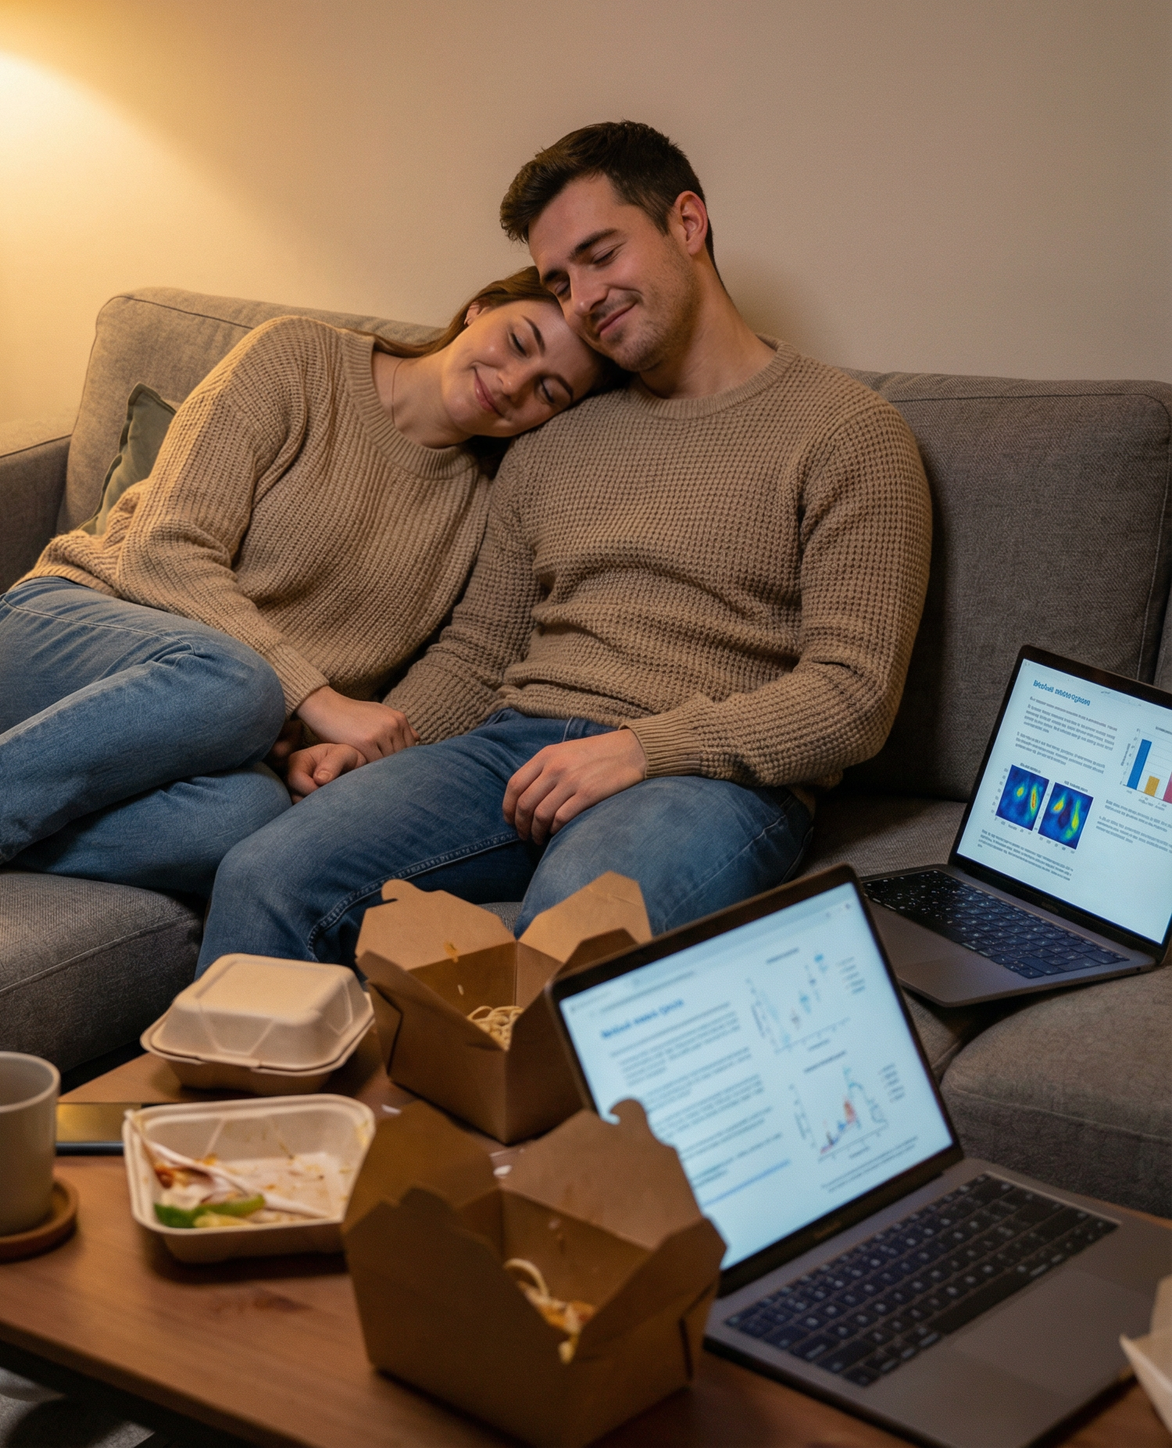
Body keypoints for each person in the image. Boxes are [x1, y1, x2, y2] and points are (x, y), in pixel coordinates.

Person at [197, 120, 933, 971]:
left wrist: (642, 749)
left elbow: (854, 695)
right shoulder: (551, 439)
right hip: (513, 751)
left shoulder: (849, 434)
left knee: (568, 944)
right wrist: (367, 748)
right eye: (558, 277)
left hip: (706, 779)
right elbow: (479, 655)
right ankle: (261, 1107)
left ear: (687, 225)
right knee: (263, 873)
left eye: (600, 254)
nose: (582, 295)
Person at [0, 268, 612, 910]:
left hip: (197, 745)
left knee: (254, 825)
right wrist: (318, 700)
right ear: (481, 307)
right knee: (238, 680)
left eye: (550, 391)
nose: (516, 383)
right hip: (59, 642)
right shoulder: (301, 360)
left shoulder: (491, 500)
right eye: (520, 341)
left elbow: (463, 661)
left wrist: (346, 756)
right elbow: (164, 550)